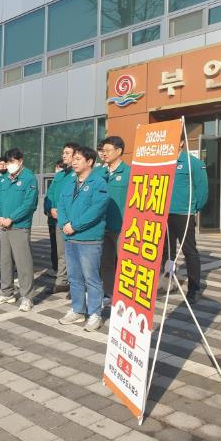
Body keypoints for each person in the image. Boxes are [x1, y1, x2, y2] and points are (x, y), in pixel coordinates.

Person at [57, 146, 110, 331]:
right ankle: (77, 310)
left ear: (90, 162)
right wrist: (64, 224)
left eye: (78, 159)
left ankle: (95, 314)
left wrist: (75, 226)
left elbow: (96, 210)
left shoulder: (98, 182)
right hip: (70, 238)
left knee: (91, 278)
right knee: (74, 278)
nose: (74, 162)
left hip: (89, 239)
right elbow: (61, 205)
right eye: (74, 159)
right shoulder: (70, 183)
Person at [161, 134, 209, 304]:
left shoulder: (193, 162)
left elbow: (202, 189)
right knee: (166, 251)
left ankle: (194, 288)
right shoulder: (164, 162)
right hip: (163, 213)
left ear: (181, 142)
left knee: (189, 251)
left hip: (183, 214)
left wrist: (194, 208)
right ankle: (168, 282)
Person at [0, 148, 39, 312]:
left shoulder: (29, 178)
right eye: (8, 162)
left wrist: (11, 218)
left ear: (20, 161)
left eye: (12, 161)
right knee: (4, 261)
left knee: (23, 262)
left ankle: (27, 297)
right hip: (3, 225)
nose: (9, 165)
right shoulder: (5, 179)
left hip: (19, 226)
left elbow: (29, 204)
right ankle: (7, 293)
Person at [99, 136, 131, 303]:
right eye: (103, 150)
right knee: (106, 262)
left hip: (123, 227)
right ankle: (108, 292)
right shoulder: (100, 173)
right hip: (103, 226)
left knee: (125, 262)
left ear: (119, 151)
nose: (104, 153)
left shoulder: (129, 173)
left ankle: (126, 295)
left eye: (108, 150)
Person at [45, 142, 80, 295]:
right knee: (62, 253)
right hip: (58, 219)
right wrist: (51, 208)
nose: (64, 155)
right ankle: (62, 282)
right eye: (63, 153)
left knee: (75, 254)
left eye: (67, 153)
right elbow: (50, 194)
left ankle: (76, 285)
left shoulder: (79, 174)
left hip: (72, 220)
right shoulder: (59, 175)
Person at [44, 159, 64, 277]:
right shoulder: (54, 182)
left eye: (60, 168)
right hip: (52, 220)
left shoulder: (68, 180)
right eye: (57, 167)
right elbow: (47, 198)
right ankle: (55, 267)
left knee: (62, 249)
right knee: (54, 245)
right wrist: (49, 210)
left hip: (62, 220)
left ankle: (62, 272)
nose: (58, 170)